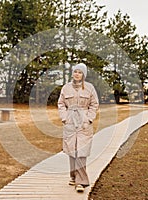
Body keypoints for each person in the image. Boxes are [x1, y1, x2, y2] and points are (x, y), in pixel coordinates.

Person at [58, 63, 99, 192]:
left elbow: (94, 104)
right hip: (70, 121)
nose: (77, 74)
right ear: (72, 73)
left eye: (80, 72)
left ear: (84, 75)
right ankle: (73, 176)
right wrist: (64, 118)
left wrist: (89, 119)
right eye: (75, 71)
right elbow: (61, 104)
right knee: (71, 150)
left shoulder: (90, 88)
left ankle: (81, 182)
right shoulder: (65, 88)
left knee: (82, 151)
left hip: (84, 122)